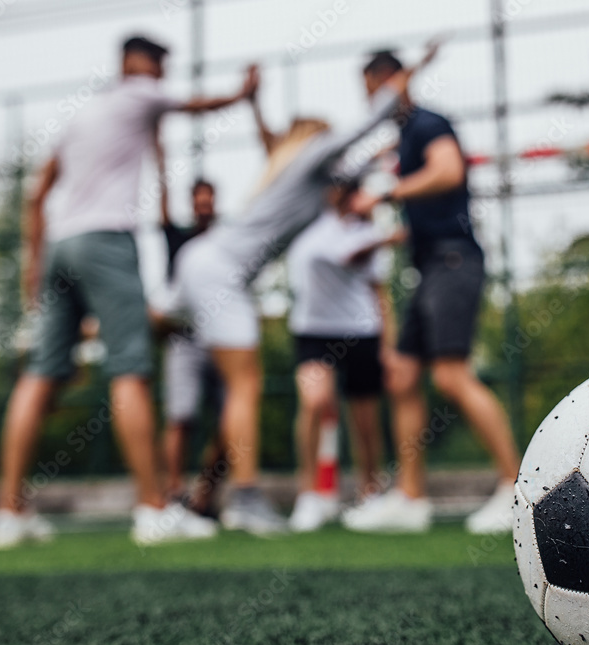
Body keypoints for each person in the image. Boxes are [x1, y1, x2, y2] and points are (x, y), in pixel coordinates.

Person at [0, 35, 259, 548]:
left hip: (60, 246)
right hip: (105, 242)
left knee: (39, 375)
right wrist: (242, 95)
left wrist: (33, 267)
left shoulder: (80, 116)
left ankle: (8, 512)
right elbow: (198, 105)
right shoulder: (139, 93)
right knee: (130, 370)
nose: (163, 74)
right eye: (160, 64)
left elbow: (38, 194)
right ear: (139, 62)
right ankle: (153, 510)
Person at [166, 47, 436, 536]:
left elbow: (356, 169)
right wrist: (408, 76)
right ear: (314, 140)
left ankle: (198, 497)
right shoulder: (310, 157)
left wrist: (392, 151)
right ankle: (245, 498)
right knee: (244, 386)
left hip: (202, 268)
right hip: (219, 272)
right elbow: (365, 127)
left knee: (226, 386)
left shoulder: (308, 177)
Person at [343, 50, 521, 534]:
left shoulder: (428, 124)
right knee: (402, 376)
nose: (372, 102)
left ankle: (516, 487)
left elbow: (449, 172)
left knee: (450, 376)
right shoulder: (405, 137)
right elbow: (430, 209)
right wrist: (383, 236)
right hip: (431, 265)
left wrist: (385, 192)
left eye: (373, 91)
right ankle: (410, 499)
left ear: (391, 83)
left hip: (453, 261)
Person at [283, 178, 405, 532]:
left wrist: (388, 348)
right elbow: (345, 255)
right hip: (313, 332)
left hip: (361, 331)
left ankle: (370, 493)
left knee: (365, 422)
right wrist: (387, 238)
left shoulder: (366, 232)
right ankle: (308, 495)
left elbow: (380, 294)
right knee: (314, 401)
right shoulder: (310, 224)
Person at [158, 179, 227, 515]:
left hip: (223, 340)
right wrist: (160, 161)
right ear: (191, 204)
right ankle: (174, 494)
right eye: (198, 201)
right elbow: (163, 207)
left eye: (208, 200)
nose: (204, 206)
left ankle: (204, 496)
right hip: (184, 338)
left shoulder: (227, 242)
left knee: (230, 423)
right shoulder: (177, 239)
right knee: (180, 417)